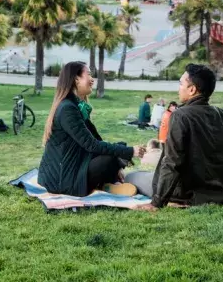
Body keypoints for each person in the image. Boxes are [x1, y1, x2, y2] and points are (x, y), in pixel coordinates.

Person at [130, 64, 223, 210]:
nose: (179, 88)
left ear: (192, 89)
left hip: (186, 194)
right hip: (222, 192)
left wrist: (156, 204)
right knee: (148, 175)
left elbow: (172, 162)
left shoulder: (180, 116)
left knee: (133, 176)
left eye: (181, 83)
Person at [38, 62, 144, 197]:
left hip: (73, 168)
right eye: (88, 74)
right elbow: (91, 145)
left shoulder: (76, 106)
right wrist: (130, 151)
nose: (92, 79)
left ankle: (109, 182)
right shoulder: (67, 109)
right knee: (111, 155)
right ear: (76, 79)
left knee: (116, 149)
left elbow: (96, 140)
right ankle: (106, 184)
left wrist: (116, 164)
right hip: (62, 181)